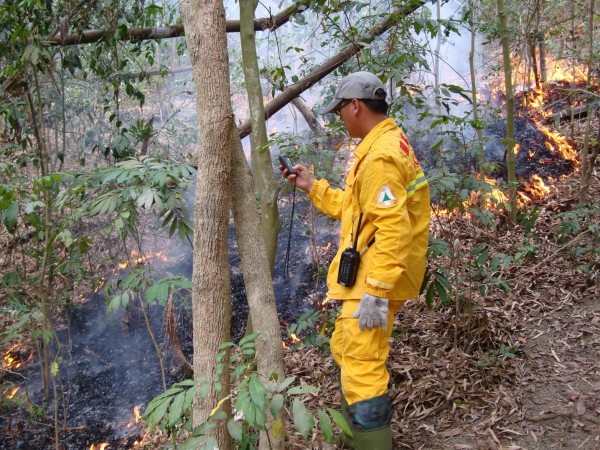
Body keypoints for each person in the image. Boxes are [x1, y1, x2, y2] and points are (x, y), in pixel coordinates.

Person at [280, 71, 430, 449]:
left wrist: (376, 294)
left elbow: (393, 229)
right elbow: (358, 210)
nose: (340, 119)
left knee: (363, 366)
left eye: (341, 111)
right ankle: (358, 439)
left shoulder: (380, 156)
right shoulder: (384, 144)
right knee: (347, 350)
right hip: (369, 279)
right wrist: (312, 187)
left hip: (374, 285)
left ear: (355, 106)